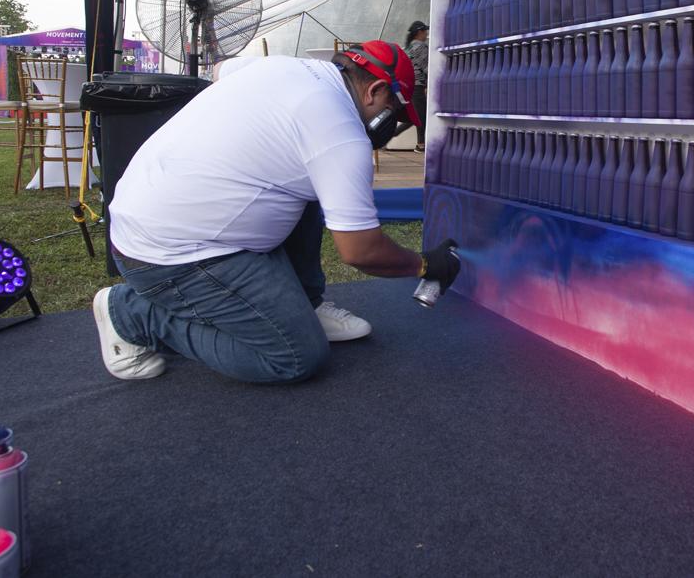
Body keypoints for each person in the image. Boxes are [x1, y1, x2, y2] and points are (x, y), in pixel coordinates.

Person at [92, 40, 461, 385]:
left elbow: (221, 69)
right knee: (295, 356)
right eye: (392, 111)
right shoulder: (341, 134)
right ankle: (133, 314)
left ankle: (303, 304)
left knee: (315, 184)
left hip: (142, 221)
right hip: (172, 259)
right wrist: (423, 265)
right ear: (376, 90)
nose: (389, 123)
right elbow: (360, 251)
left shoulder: (283, 67)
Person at [405, 20, 429, 152]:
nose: (426, 34)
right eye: (425, 31)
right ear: (420, 32)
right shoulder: (420, 47)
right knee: (421, 116)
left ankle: (394, 133)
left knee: (415, 115)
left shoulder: (408, 47)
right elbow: (427, 67)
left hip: (409, 84)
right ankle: (421, 144)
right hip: (418, 85)